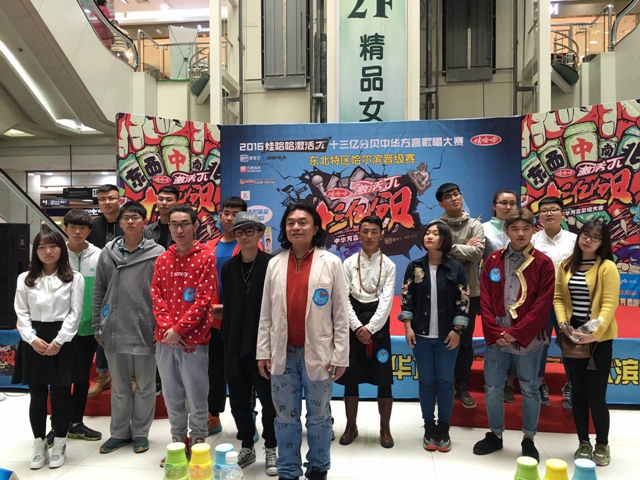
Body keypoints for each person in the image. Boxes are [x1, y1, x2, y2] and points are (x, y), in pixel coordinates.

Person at [256, 203, 350, 480]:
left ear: (315, 228)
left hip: (319, 353)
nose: (296, 227)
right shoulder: (274, 263)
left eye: (302, 222)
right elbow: (265, 313)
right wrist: (263, 351)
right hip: (282, 353)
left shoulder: (331, 263)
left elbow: (341, 314)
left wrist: (340, 355)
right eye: (290, 223)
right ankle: (288, 470)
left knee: (319, 416)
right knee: (285, 417)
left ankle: (318, 468)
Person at [473, 208, 555, 462]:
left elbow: (543, 305)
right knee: (492, 387)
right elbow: (485, 298)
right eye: (515, 229)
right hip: (497, 336)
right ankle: (495, 434)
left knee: (529, 387)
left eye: (526, 229)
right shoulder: (493, 260)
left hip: (528, 339)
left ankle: (528, 437)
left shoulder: (543, 263)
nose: (520, 234)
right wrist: (495, 331)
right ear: (506, 231)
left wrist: (517, 333)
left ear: (533, 230)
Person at [92, 201, 164, 455]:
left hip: (145, 326)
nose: (130, 221)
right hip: (114, 326)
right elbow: (99, 289)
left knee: (145, 385)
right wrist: (97, 324)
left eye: (135, 217)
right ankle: (119, 433)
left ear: (145, 222)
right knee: (120, 386)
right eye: (126, 218)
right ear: (120, 223)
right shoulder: (108, 253)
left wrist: (160, 326)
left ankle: (141, 433)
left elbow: (163, 293)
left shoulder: (158, 253)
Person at [13, 228, 85, 469]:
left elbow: (75, 313)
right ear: (35, 251)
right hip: (33, 338)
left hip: (62, 338)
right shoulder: (24, 278)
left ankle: (60, 442)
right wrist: (31, 339)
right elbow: (21, 312)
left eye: (53, 246)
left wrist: (59, 341)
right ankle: (39, 443)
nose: (48, 251)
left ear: (61, 249)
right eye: (42, 247)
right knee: (36, 394)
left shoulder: (74, 277)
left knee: (61, 393)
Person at [152, 205, 217, 467]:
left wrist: (179, 329)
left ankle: (199, 444)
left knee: (197, 396)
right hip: (165, 340)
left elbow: (203, 300)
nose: (179, 230)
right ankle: (178, 445)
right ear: (169, 227)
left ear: (194, 226)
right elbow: (156, 296)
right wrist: (169, 329)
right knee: (172, 396)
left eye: (184, 224)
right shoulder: (162, 259)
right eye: (174, 224)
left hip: (194, 340)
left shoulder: (205, 257)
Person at [399, 220, 469, 453]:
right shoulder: (414, 267)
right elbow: (407, 298)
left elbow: (463, 302)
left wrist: (457, 330)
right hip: (420, 334)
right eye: (427, 233)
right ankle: (429, 427)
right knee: (426, 381)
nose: (429, 236)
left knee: (446, 381)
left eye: (435, 233)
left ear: (445, 239)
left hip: (448, 335)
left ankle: (444, 428)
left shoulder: (456, 268)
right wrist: (408, 327)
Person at [554, 219, 619, 467]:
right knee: (578, 393)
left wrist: (594, 333)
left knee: (596, 395)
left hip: (598, 340)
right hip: (573, 336)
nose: (588, 240)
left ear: (603, 243)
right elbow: (559, 298)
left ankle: (602, 444)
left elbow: (609, 304)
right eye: (585, 234)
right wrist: (563, 325)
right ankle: (583, 442)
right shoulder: (566, 265)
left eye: (595, 237)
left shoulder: (607, 267)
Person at [220, 212, 277, 475]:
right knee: (239, 401)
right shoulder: (229, 267)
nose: (244, 237)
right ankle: (246, 444)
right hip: (234, 343)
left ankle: (271, 446)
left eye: (249, 231)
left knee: (269, 400)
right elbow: (229, 306)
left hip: (263, 345)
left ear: (259, 233)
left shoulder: (272, 264)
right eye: (239, 232)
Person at [336, 215, 396, 448]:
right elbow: (343, 298)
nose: (369, 236)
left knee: (383, 378)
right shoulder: (348, 263)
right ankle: (351, 426)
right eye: (365, 231)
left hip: (378, 325)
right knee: (351, 377)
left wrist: (370, 328)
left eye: (374, 231)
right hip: (353, 323)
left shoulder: (389, 265)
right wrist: (357, 327)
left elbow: (387, 301)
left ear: (381, 234)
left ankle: (385, 428)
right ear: (358, 234)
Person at [45, 210, 103, 447]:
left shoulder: (99, 255)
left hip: (88, 329)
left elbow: (104, 290)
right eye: (73, 227)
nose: (77, 232)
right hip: (60, 329)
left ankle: (76, 423)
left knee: (81, 379)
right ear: (65, 228)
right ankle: (57, 425)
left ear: (89, 230)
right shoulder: (56, 254)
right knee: (59, 379)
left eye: (83, 228)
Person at [436, 183, 485, 408]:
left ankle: (462, 386)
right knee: (441, 339)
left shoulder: (475, 225)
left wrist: (450, 247)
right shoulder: (436, 226)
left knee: (465, 342)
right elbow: (436, 253)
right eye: (448, 196)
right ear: (441, 203)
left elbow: (477, 254)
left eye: (456, 194)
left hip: (469, 292)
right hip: (442, 291)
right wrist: (463, 247)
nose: (454, 198)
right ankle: (443, 384)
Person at [204, 197, 248, 435]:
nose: (230, 218)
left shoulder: (250, 245)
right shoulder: (209, 245)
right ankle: (213, 416)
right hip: (213, 321)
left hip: (240, 321)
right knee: (214, 372)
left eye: (236, 214)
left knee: (242, 372)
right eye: (226, 213)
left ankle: (248, 418)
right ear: (220, 216)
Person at [531, 197, 577, 410]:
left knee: (570, 345)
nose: (549, 213)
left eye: (554, 210)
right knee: (539, 345)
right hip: (540, 302)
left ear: (563, 214)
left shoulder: (574, 240)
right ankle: (539, 384)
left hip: (568, 303)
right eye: (545, 211)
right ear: (539, 216)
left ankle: (572, 386)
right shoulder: (532, 241)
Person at [87, 184, 123, 398]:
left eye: (111, 198)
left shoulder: (129, 221)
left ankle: (131, 375)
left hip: (128, 283)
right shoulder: (92, 226)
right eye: (102, 199)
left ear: (120, 200)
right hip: (101, 283)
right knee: (102, 328)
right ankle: (103, 375)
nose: (107, 202)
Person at [482, 189, 517, 259]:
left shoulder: (522, 230)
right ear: (494, 206)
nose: (508, 207)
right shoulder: (483, 229)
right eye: (504, 203)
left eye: (512, 203)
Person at [144, 186, 179, 250]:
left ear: (177, 203)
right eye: (160, 199)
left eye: (169, 200)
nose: (164, 203)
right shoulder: (147, 230)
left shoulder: (183, 230)